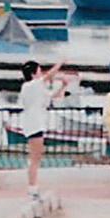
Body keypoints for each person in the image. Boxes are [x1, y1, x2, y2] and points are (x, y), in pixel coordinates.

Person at [19, 60, 71, 200]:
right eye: (39, 71)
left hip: (37, 124)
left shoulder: (37, 87)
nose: (41, 73)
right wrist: (60, 63)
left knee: (36, 158)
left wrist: (63, 85)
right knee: (34, 159)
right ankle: (32, 189)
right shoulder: (30, 85)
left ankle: (33, 187)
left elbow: (53, 96)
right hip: (34, 124)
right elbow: (49, 76)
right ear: (33, 73)